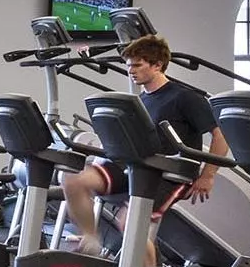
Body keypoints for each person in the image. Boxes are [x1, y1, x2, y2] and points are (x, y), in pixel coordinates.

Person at [59, 33, 231, 254]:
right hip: (139, 166)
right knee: (72, 180)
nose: (131, 71)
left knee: (129, 224)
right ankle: (90, 240)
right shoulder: (141, 101)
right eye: (129, 66)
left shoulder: (184, 97)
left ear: (157, 65)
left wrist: (208, 175)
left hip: (171, 174)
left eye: (137, 65)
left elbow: (220, 135)